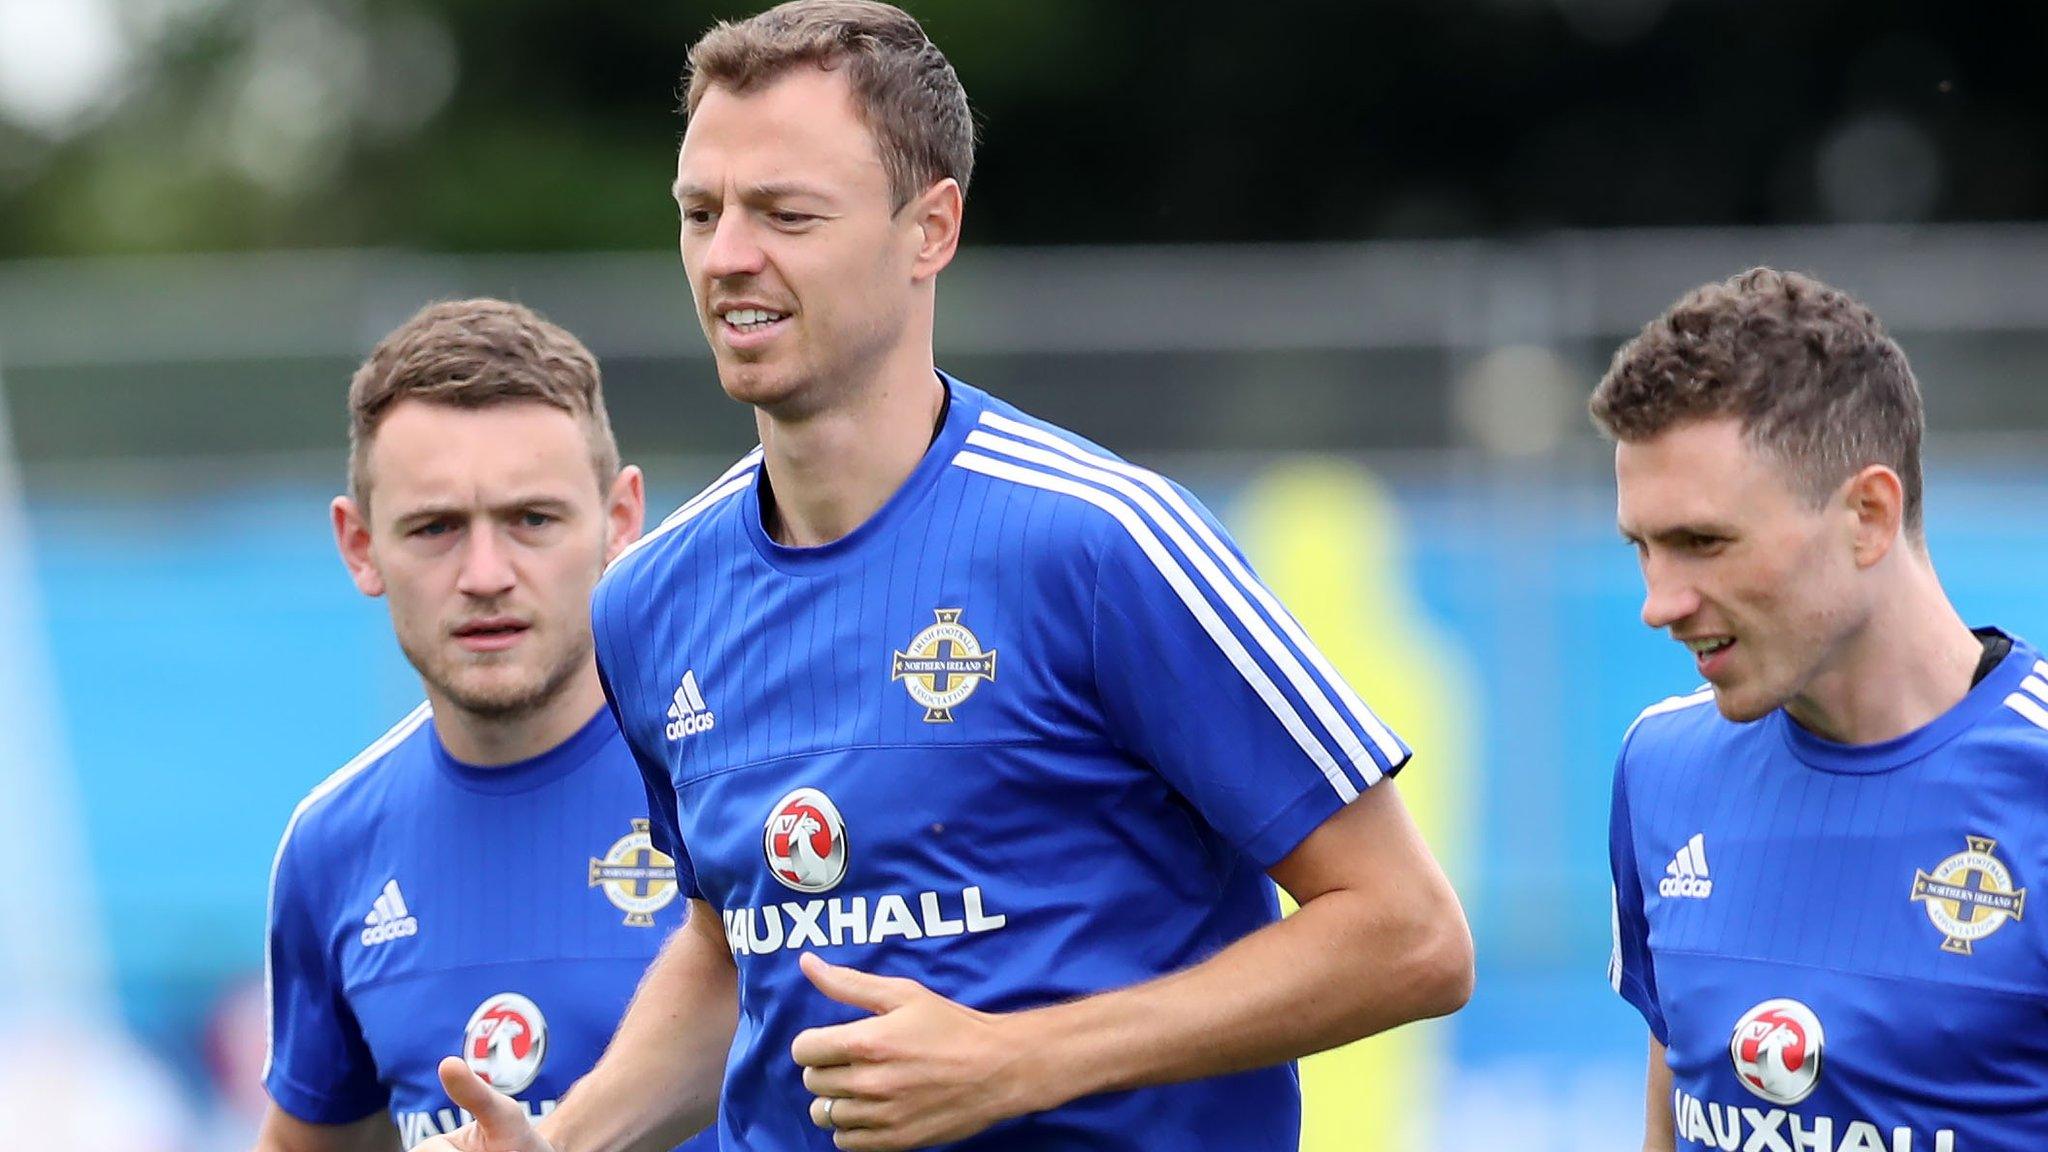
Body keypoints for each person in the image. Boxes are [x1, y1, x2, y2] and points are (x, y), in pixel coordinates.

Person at [418, 4, 1472, 1151]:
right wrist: (565, 1143)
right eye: (701, 212)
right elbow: (734, 950)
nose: (727, 256)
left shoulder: (1101, 542)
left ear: (930, 230)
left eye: (785, 213)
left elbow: (1406, 934)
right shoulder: (646, 600)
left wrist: (1018, 1061)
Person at [1597, 268, 2048, 1152]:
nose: (1660, 601)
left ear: (1868, 516)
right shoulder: (1660, 768)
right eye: (1642, 547)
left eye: (1703, 542)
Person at [257, 299, 718, 1152]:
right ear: (359, 546)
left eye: (531, 520)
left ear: (621, 522)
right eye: (435, 528)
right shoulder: (330, 848)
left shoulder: (736, 783)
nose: (485, 574)